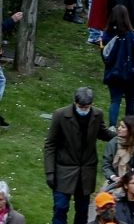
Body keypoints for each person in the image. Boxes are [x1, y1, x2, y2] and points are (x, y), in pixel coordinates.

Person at [43, 86, 106, 224]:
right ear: (75, 103)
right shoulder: (60, 115)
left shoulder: (97, 114)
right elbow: (50, 144)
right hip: (64, 170)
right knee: (60, 207)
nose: (84, 109)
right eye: (81, 106)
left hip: (86, 172)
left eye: (87, 106)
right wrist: (50, 172)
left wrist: (123, 135)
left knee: (82, 210)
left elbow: (102, 133)